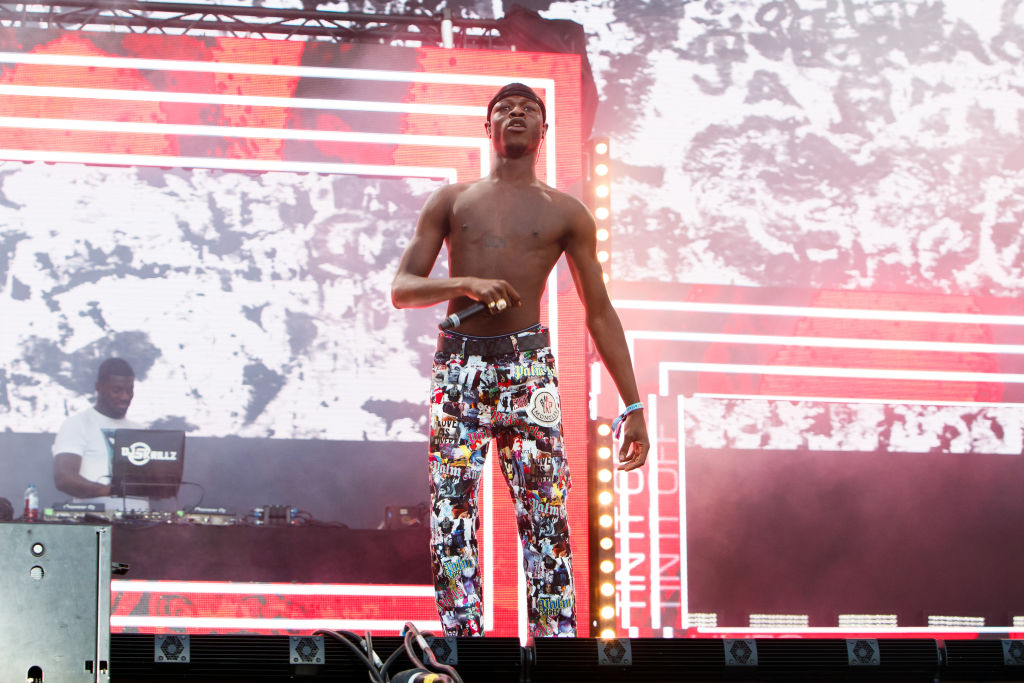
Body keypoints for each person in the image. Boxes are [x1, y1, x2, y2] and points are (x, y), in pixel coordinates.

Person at [391, 83, 649, 638]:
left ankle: (557, 649)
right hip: (458, 371)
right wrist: (466, 283)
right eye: (503, 109)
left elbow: (599, 312)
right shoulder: (451, 202)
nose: (515, 114)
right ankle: (462, 648)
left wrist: (632, 404)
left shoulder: (567, 212)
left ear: (542, 132)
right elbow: (402, 288)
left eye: (528, 109)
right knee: (450, 512)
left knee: (547, 517)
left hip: (528, 372)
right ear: (488, 129)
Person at [52, 357, 148, 510]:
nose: (125, 397)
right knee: (100, 535)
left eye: (129, 390)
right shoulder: (77, 424)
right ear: (99, 387)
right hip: (94, 524)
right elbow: (64, 478)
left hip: (140, 525)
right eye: (117, 390)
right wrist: (112, 490)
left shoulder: (141, 430)